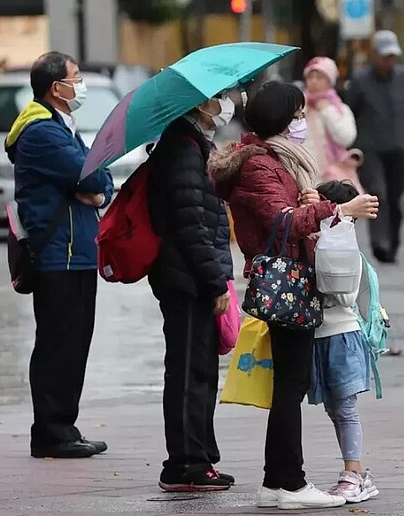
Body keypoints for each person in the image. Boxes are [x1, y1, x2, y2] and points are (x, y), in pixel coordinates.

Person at [209, 81, 378, 510]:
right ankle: (292, 483)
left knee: (289, 382)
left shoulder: (273, 161)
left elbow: (285, 211)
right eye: (298, 116)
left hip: (295, 278)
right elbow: (282, 223)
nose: (302, 122)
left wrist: (311, 199)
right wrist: (338, 209)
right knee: (290, 385)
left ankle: (274, 481)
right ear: (282, 120)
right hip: (287, 281)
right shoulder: (258, 165)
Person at [5, 52, 114, 458]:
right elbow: (90, 173)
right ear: (56, 88)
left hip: (79, 250)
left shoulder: (60, 126)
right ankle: (51, 433)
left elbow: (99, 176)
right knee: (57, 345)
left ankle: (65, 428)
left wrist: (96, 186)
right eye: (77, 77)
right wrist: (93, 183)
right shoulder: (40, 132)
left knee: (75, 344)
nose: (80, 84)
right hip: (58, 255)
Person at [147, 92, 235, 491]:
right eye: (217, 98)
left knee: (199, 369)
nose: (224, 104)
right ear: (198, 104)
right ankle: (184, 464)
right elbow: (191, 225)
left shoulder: (194, 144)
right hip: (185, 279)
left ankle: (198, 457)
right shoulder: (182, 148)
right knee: (187, 371)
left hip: (190, 275)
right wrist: (215, 280)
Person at [307, 179, 380, 503]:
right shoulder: (318, 241)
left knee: (345, 409)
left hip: (342, 335)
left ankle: (354, 473)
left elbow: (347, 295)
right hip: (320, 336)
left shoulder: (344, 248)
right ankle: (358, 472)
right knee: (336, 410)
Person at [347, 30, 404, 264]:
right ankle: (380, 243)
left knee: (395, 198)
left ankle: (393, 243)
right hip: (371, 149)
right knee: (379, 194)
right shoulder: (359, 81)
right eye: (385, 55)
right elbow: (351, 111)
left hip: (399, 149)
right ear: (375, 54)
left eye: (392, 56)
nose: (389, 60)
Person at [302, 57, 361, 191]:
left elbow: (346, 138)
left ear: (330, 81)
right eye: (310, 77)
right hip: (304, 174)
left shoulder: (339, 108)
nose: (314, 81)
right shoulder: (299, 107)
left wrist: (327, 111)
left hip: (332, 176)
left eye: (320, 77)